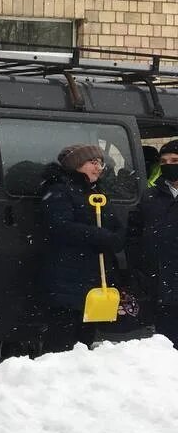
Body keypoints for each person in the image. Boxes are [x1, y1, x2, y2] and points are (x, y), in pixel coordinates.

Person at [38, 144, 125, 353]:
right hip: (68, 277)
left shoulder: (97, 191)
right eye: (92, 163)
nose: (98, 167)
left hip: (92, 279)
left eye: (100, 163)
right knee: (62, 340)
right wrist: (100, 236)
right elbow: (61, 227)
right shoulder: (59, 190)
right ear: (76, 165)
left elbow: (112, 223)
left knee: (84, 339)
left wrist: (117, 237)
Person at [129, 140, 178, 346]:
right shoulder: (151, 196)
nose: (169, 165)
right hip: (162, 285)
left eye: (175, 160)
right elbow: (134, 235)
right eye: (164, 161)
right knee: (167, 344)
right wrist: (140, 268)